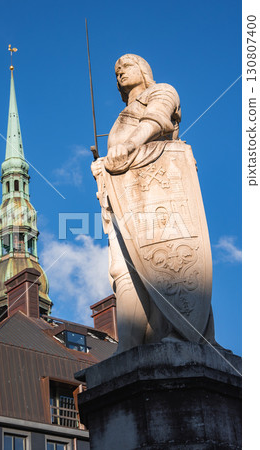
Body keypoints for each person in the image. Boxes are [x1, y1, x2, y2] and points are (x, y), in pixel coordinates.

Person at [92, 54, 215, 352]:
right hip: (124, 199)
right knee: (122, 270)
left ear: (144, 70)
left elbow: (157, 119)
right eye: (116, 70)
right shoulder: (120, 116)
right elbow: (119, 161)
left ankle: (186, 332)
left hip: (158, 191)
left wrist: (130, 144)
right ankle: (130, 344)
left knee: (172, 263)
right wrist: (104, 168)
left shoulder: (161, 92)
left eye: (127, 66)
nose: (119, 71)